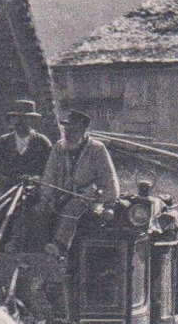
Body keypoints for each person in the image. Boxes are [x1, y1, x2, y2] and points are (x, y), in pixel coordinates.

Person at [41, 109, 120, 256]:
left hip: (87, 199)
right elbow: (49, 175)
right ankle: (36, 250)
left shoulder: (97, 149)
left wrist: (105, 200)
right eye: (66, 128)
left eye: (73, 129)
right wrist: (47, 198)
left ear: (83, 130)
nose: (68, 133)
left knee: (73, 206)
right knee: (38, 210)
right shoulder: (59, 148)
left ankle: (60, 246)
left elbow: (109, 180)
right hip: (60, 196)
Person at [0, 99, 53, 191]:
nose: (20, 121)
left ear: (32, 120)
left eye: (24, 118)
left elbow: (51, 170)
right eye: (16, 118)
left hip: (33, 190)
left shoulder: (42, 142)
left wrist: (37, 178)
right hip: (6, 190)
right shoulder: (4, 141)